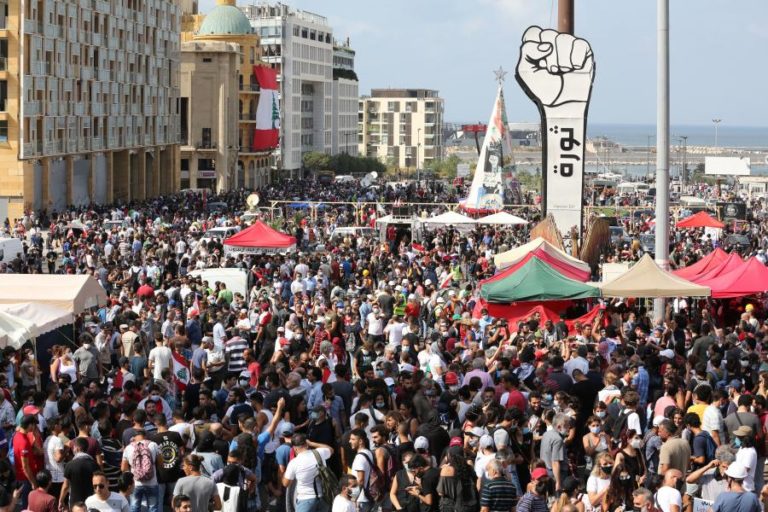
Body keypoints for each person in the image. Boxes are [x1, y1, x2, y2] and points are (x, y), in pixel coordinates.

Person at [282, 433, 335, 512]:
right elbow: (331, 449)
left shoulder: (294, 463)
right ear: (306, 444)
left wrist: (284, 474)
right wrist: (312, 443)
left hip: (305, 501)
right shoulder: (319, 453)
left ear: (294, 448)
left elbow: (285, 483)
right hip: (324, 498)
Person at [121, 429, 161, 512]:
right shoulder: (153, 445)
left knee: (134, 508)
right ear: (145, 436)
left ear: (134, 437)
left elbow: (123, 468)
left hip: (135, 483)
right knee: (153, 508)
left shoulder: (128, 448)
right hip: (152, 482)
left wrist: (133, 473)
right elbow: (161, 463)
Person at [60, 436, 101, 509]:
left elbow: (66, 486)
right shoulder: (94, 465)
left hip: (75, 504)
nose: (73, 449)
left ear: (77, 448)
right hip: (91, 502)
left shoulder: (70, 465)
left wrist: (61, 500)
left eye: (74, 447)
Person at [13, 413, 43, 509]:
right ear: (30, 425)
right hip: (26, 479)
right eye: (34, 425)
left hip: (22, 478)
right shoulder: (24, 442)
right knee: (27, 507)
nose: (35, 427)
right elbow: (25, 467)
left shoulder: (17, 435)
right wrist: (33, 482)